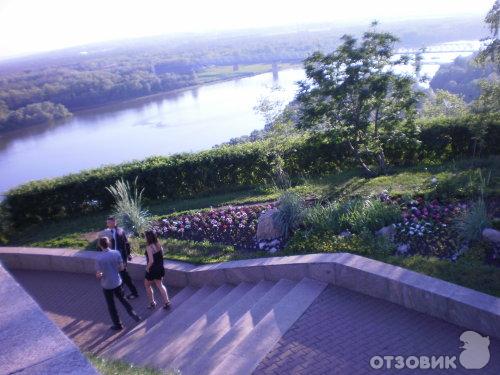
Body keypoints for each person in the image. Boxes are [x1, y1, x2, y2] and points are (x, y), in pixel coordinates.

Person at [95, 237, 141, 330]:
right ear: (109, 243)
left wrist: (103, 274)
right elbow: (122, 268)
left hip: (107, 285)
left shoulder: (99, 258)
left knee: (111, 305)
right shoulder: (116, 253)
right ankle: (134, 314)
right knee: (123, 299)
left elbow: (99, 275)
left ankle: (118, 324)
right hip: (117, 282)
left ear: (100, 245)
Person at [101, 216, 139, 299]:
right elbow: (102, 245)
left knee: (125, 276)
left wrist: (128, 254)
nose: (109, 224)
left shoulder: (120, 231)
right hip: (110, 258)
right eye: (108, 222)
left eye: (111, 222)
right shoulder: (105, 233)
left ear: (115, 222)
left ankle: (134, 293)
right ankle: (121, 293)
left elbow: (126, 243)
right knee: (116, 276)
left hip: (120, 258)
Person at [144, 230, 171, 309]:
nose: (144, 237)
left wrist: (147, 268)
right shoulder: (158, 244)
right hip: (160, 267)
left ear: (148, 237)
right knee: (160, 285)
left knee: (147, 285)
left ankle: (152, 302)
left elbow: (151, 260)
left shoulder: (149, 247)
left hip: (152, 269)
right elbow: (161, 255)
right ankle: (167, 302)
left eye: (145, 236)